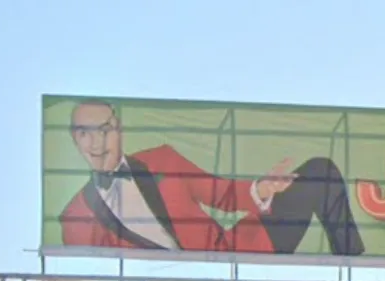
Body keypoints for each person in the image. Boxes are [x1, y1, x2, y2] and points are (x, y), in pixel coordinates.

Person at [58, 100, 364, 256]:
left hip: (233, 254)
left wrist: (262, 188)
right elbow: (94, 278)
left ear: (119, 128)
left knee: (319, 172)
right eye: (85, 133)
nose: (97, 144)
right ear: (74, 140)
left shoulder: (162, 159)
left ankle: (354, 264)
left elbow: (221, 194)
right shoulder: (75, 215)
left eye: (104, 129)